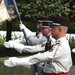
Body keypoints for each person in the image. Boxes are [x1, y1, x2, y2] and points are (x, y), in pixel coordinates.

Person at [4, 16, 72, 75]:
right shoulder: (57, 43)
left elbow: (41, 56)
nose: (51, 30)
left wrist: (18, 61)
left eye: (53, 28)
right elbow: (36, 46)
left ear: (59, 30)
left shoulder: (61, 45)